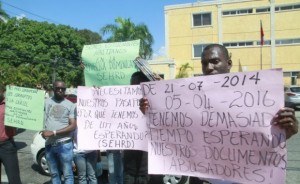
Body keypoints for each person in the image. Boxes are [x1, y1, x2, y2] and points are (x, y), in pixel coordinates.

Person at [139, 44, 299, 184]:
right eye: (204, 63)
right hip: (202, 179)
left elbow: (265, 137)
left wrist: (287, 131)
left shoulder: (255, 96)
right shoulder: (189, 97)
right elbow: (172, 128)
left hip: (243, 179)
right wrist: (151, 110)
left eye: (215, 61)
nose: (208, 67)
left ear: (228, 64)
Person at [41, 80, 77, 184]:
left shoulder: (70, 105)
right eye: (58, 88)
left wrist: (53, 132)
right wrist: (42, 131)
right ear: (54, 89)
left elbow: (73, 125)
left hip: (64, 145)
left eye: (63, 88)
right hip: (49, 145)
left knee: (68, 175)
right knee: (54, 174)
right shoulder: (46, 102)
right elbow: (41, 118)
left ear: (65, 90)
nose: (60, 90)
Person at [123, 71, 151, 184]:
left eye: (138, 85)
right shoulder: (123, 103)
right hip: (129, 169)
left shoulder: (155, 104)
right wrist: (98, 94)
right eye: (132, 85)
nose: (134, 88)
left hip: (147, 170)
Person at [0, 85, 22, 184]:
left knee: (14, 179)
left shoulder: (11, 105)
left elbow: (15, 128)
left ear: (2, 91)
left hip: (7, 146)